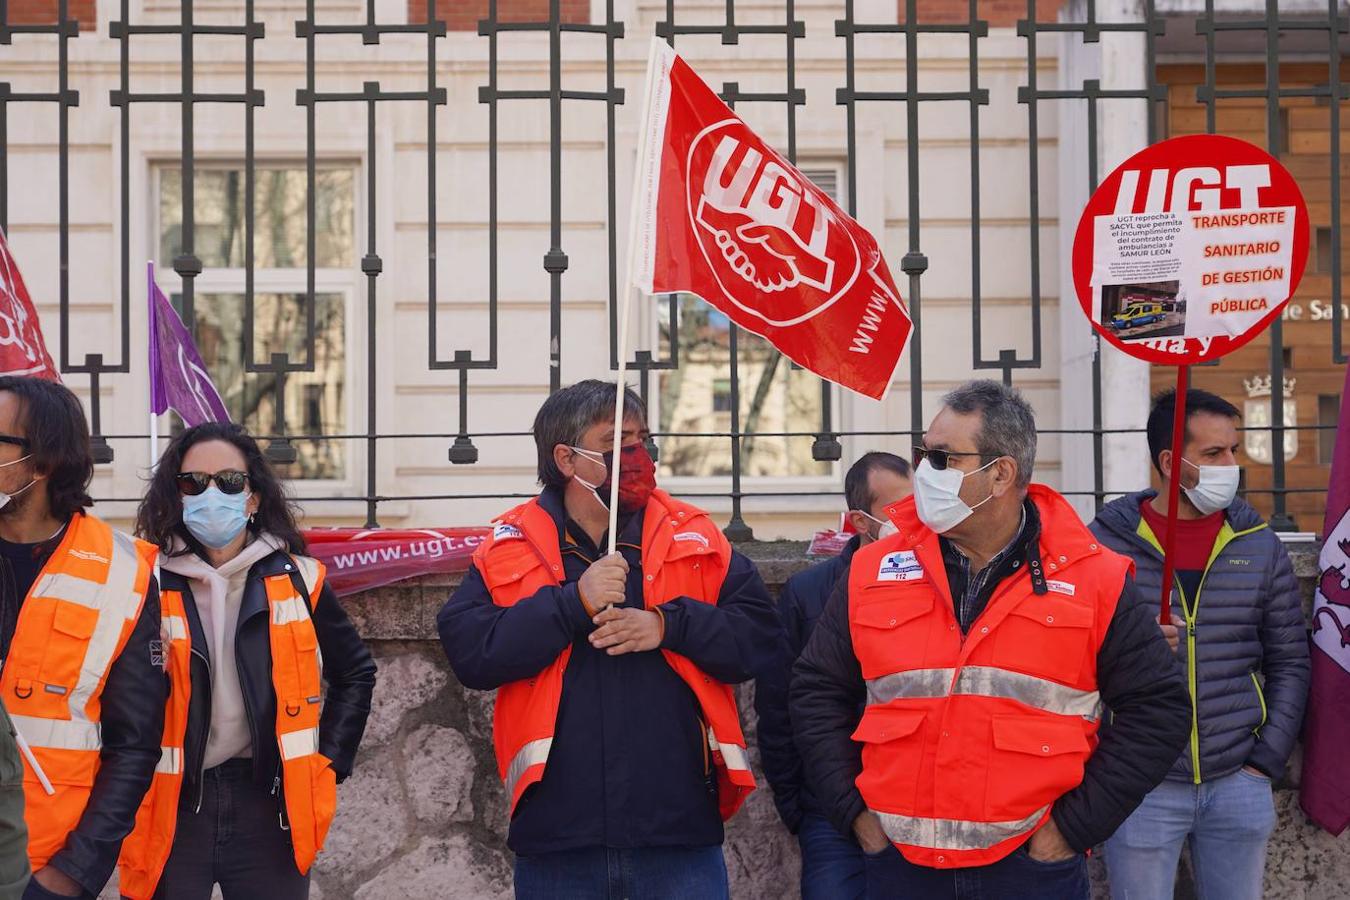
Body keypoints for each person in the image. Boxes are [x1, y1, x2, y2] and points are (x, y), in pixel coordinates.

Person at [791, 379, 1190, 900]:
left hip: (1030, 870)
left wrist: (1069, 832)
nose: (924, 473)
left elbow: (1158, 710)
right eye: (923, 455)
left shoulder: (1095, 577)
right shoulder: (873, 569)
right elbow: (816, 689)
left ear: (1001, 474)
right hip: (900, 868)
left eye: (942, 458)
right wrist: (857, 817)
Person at [438, 379, 781, 899]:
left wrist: (668, 626)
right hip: (559, 838)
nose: (637, 456)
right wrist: (573, 603)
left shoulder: (696, 534)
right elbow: (472, 653)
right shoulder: (511, 543)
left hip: (678, 832)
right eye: (616, 443)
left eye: (642, 439)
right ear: (567, 459)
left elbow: (760, 637)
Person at [119, 422, 377, 900]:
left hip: (269, 808)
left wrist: (329, 762)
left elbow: (355, 673)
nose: (210, 493)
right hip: (169, 806)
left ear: (253, 497)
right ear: (175, 495)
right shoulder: (142, 582)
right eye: (192, 481)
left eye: (230, 482)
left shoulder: (300, 579)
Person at [1092, 389, 1309, 900]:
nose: (1230, 465)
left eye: (1233, 450)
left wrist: (1264, 763)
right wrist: (1132, 648)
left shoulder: (1257, 543)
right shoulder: (1102, 545)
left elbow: (1290, 661)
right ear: (1170, 462)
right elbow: (1068, 661)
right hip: (1139, 784)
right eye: (1213, 454)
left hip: (1238, 779)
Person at [0, 376, 164, 900]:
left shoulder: (123, 572)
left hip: (39, 867)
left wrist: (72, 873)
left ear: (42, 462)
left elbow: (134, 745)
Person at [755, 452, 911, 900]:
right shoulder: (809, 594)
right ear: (861, 522)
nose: (916, 520)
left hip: (914, 805)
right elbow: (780, 706)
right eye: (899, 510)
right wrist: (800, 808)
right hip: (832, 811)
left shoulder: (944, 580)